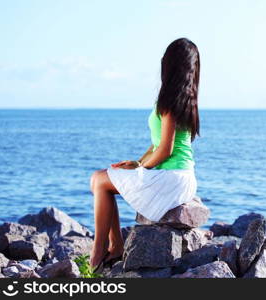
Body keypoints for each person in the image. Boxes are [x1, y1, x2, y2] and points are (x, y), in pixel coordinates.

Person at [88, 38, 200, 272]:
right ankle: (114, 246)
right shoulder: (188, 100)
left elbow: (165, 150)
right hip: (184, 178)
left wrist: (142, 169)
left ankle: (99, 252)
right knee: (104, 179)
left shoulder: (169, 100)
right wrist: (137, 162)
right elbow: (158, 144)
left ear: (168, 65)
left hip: (171, 178)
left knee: (99, 180)